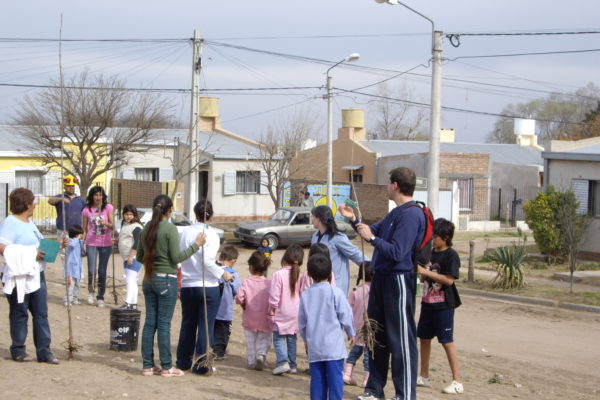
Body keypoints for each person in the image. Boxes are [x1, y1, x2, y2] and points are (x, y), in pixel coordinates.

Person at [340, 166, 425, 400]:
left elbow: (397, 252)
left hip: (398, 280)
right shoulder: (395, 212)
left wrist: (373, 238)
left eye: (388, 183)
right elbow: (371, 231)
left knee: (401, 339)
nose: (386, 186)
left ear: (395, 185)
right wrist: (354, 219)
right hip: (381, 279)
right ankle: (374, 389)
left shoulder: (412, 214)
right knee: (376, 335)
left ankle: (405, 394)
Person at [136, 194, 206, 377]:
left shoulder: (146, 229)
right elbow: (176, 258)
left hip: (149, 279)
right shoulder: (170, 229)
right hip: (166, 278)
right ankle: (167, 366)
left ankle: (148, 365)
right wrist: (196, 245)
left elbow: (138, 257)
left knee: (150, 323)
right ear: (170, 210)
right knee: (164, 324)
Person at [0, 188, 62, 364]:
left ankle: (44, 351)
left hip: (36, 274)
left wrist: (57, 245)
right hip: (18, 276)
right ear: (27, 204)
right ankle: (18, 349)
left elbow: (38, 246)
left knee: (41, 313)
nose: (35, 205)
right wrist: (29, 254)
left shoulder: (29, 223)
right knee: (20, 313)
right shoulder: (10, 223)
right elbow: (2, 247)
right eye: (33, 201)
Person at [176, 199, 233, 375]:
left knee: (188, 324)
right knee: (205, 326)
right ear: (212, 215)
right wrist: (222, 273)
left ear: (195, 213)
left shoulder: (185, 232)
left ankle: (183, 360)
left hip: (188, 284)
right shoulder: (212, 235)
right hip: (207, 285)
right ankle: (201, 364)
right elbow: (207, 260)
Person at [416, 218, 463, 395]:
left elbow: (449, 280)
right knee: (424, 339)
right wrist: (422, 274)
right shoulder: (429, 253)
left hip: (444, 306)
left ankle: (457, 380)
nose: (432, 240)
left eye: (435, 237)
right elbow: (423, 278)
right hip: (427, 303)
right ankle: (424, 375)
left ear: (445, 237)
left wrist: (426, 272)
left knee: (446, 341)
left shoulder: (451, 255)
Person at [299, 253, 355, 400]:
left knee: (317, 382)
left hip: (315, 348)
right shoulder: (335, 292)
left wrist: (305, 340)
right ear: (331, 273)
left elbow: (302, 322)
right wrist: (351, 332)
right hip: (333, 349)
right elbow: (346, 315)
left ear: (309, 274)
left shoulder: (306, 295)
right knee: (336, 382)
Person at [311, 205, 366, 296]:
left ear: (319, 219)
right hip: (318, 285)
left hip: (336, 286)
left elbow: (356, 254)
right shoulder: (314, 236)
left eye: (313, 216)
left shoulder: (338, 238)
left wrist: (373, 266)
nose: (312, 219)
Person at [268, 244, 303, 375]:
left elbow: (275, 295)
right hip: (296, 312)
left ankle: (283, 362)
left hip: (282, 311)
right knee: (291, 338)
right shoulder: (300, 274)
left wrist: (272, 308)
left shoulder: (279, 274)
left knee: (278, 337)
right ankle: (293, 364)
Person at [235, 250, 272, 370]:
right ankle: (261, 355)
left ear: (251, 267)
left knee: (251, 342)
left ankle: (251, 361)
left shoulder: (246, 282)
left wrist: (244, 305)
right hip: (265, 317)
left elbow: (239, 298)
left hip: (250, 316)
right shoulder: (269, 283)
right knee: (264, 338)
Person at [82, 185, 114, 307]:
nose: (98, 197)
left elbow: (112, 225)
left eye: (100, 195)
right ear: (92, 196)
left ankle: (100, 296)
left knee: (102, 270)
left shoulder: (108, 207)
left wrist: (105, 223)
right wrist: (83, 243)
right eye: (95, 195)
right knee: (91, 269)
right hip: (91, 242)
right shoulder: (86, 210)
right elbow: (84, 228)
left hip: (105, 243)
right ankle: (91, 291)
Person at [345, 261, 373, 388]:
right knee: (368, 355)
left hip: (356, 328)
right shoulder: (375, 291)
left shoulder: (355, 291)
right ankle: (366, 380)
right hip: (370, 330)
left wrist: (349, 329)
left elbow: (347, 311)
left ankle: (347, 374)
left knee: (354, 352)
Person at [213, 244, 241, 360]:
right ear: (233, 261)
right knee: (223, 332)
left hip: (213, 307)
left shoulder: (214, 270)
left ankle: (210, 348)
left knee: (212, 329)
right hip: (225, 309)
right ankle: (219, 352)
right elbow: (237, 290)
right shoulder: (233, 274)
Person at [117, 204, 143, 310]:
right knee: (133, 280)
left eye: (131, 214)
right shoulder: (125, 225)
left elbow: (137, 242)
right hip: (126, 256)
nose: (128, 216)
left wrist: (131, 256)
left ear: (135, 215)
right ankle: (133, 303)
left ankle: (128, 303)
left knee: (130, 280)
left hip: (133, 257)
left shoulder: (136, 226)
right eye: (126, 214)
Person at [64, 224, 84, 306]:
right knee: (70, 284)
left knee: (77, 284)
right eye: (80, 234)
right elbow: (72, 245)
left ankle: (75, 298)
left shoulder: (79, 242)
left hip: (77, 267)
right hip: (71, 267)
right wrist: (77, 239)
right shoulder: (71, 241)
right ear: (76, 235)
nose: (82, 236)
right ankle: (67, 299)